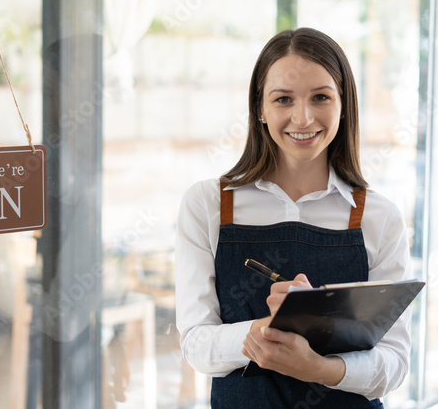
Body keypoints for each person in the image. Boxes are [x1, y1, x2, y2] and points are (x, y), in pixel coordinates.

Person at [175, 27, 413, 408]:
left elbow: (395, 363)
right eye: (283, 99)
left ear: (343, 105)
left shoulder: (378, 216)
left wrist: (316, 367)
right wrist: (269, 330)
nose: (302, 118)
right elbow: (195, 344)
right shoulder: (208, 204)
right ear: (260, 110)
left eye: (320, 97)